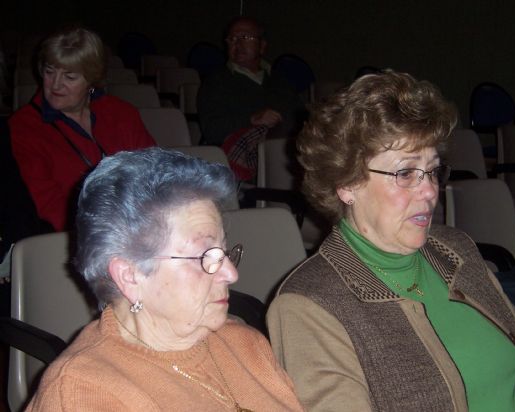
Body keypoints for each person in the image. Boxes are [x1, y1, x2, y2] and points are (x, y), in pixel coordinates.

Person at [267, 71, 515, 411]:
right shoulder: (309, 304)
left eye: (432, 170)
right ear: (346, 184)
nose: (431, 190)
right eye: (405, 173)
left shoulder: (455, 251)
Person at [26, 147, 304, 411]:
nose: (231, 273)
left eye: (224, 251)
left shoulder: (244, 344)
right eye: (205, 255)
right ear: (130, 276)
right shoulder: (82, 394)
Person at [9, 26, 156, 231]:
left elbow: (153, 173)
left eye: (70, 77)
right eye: (49, 72)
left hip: (136, 226)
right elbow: (48, 204)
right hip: (69, 236)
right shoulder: (24, 126)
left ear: (92, 80)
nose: (55, 85)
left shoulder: (122, 113)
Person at [197, 16, 305, 181]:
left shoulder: (280, 81)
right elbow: (211, 130)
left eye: (245, 38)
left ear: (262, 46)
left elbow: (300, 118)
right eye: (232, 39)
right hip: (249, 160)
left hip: (288, 153)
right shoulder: (216, 82)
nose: (237, 44)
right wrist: (251, 119)